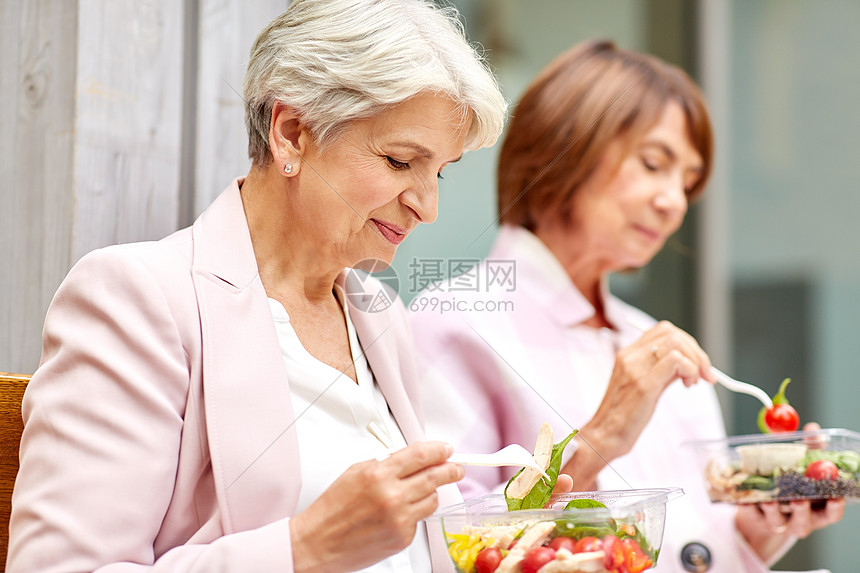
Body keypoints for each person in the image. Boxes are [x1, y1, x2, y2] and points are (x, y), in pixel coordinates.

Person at [6, 1, 508, 571]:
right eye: (398, 162)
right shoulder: (135, 298)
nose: (428, 206)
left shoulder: (377, 311)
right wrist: (306, 548)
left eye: (438, 171)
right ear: (292, 134)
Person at [410, 40, 845, 573]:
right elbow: (444, 547)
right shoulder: (454, 321)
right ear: (560, 150)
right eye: (653, 163)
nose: (675, 201)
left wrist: (763, 521)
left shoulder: (651, 341)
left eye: (687, 182)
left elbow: (693, 552)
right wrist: (600, 440)